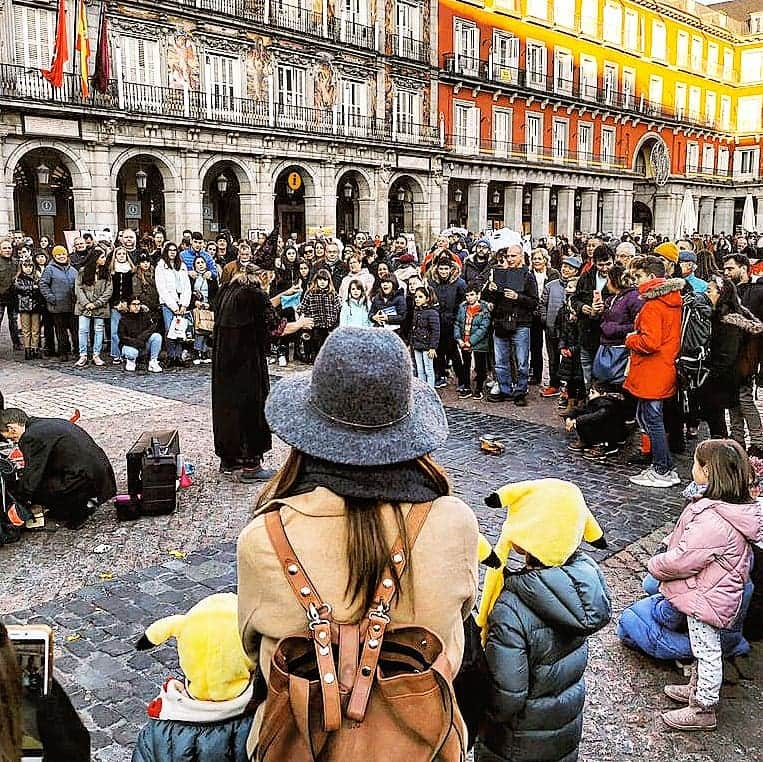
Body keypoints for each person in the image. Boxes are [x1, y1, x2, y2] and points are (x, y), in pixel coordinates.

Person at [237, 327, 478, 757]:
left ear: (308, 434)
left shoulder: (263, 538)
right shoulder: (454, 523)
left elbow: (253, 653)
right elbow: (461, 624)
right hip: (423, 743)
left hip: (299, 744)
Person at [475, 479, 611, 762]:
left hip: (515, 743)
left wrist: (479, 714)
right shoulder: (580, 588)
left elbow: (506, 696)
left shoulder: (511, 609)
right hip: (561, 732)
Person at [649, 439, 762, 731]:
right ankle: (696, 688)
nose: (692, 468)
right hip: (711, 592)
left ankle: (703, 708)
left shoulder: (714, 518)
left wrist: (656, 564)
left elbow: (685, 559)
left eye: (696, 464)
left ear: (709, 471)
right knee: (703, 647)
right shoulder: (727, 510)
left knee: (706, 650)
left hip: (707, 597)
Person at [212, 263, 312, 480]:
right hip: (247, 364)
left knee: (227, 409)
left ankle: (229, 460)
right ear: (263, 276)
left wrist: (284, 295)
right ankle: (251, 466)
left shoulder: (228, 290)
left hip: (224, 364)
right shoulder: (255, 295)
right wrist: (301, 323)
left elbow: (260, 309)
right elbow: (276, 328)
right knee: (251, 408)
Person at [0, 407, 116, 529]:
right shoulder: (43, 424)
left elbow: (32, 475)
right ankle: (77, 504)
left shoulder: (29, 437)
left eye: (10, 437)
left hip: (84, 480)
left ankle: (78, 508)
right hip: (100, 474)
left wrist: (19, 501)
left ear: (11, 428)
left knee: (36, 490)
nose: (12, 441)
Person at [626, 256, 683, 488]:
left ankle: (662, 468)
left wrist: (631, 339)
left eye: (638, 276)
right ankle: (663, 466)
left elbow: (650, 342)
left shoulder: (653, 305)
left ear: (651, 277)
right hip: (663, 368)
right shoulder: (671, 300)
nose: (636, 281)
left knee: (652, 419)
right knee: (650, 417)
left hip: (652, 370)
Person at [697, 276, 763, 438]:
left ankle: (756, 443)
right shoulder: (725, 314)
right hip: (733, 372)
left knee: (740, 407)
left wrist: (710, 371)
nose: (707, 294)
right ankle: (739, 441)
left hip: (733, 373)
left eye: (709, 291)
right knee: (735, 411)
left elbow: (727, 353)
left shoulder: (727, 319)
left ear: (722, 293)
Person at [484, 243, 538, 407]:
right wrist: (490, 290)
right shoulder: (500, 274)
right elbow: (489, 299)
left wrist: (518, 297)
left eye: (513, 256)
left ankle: (520, 391)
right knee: (500, 361)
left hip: (520, 323)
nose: (510, 259)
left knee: (522, 362)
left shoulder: (528, 276)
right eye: (508, 256)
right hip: (501, 322)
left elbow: (534, 302)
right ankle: (505, 390)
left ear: (521, 256)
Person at [723, 253, 763, 457]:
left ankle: (758, 440)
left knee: (744, 397)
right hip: (729, 354)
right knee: (732, 398)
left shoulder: (758, 292)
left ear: (744, 268)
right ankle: (736, 437)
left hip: (747, 355)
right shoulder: (730, 291)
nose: (726, 272)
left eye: (730, 268)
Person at [572, 245, 614, 390]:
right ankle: (588, 398)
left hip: (605, 336)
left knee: (602, 372)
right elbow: (575, 298)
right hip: (586, 332)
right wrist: (582, 307)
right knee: (586, 370)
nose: (604, 268)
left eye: (608, 264)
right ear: (594, 263)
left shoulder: (618, 278)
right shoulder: (586, 276)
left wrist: (604, 309)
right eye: (600, 265)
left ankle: (599, 402)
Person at [540, 255, 582, 397]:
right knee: (552, 359)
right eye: (564, 266)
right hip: (551, 327)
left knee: (569, 359)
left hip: (569, 331)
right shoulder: (551, 286)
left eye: (570, 268)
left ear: (576, 271)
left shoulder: (578, 286)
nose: (566, 270)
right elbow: (542, 305)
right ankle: (554, 384)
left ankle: (568, 387)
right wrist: (545, 320)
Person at [427, 257, 467, 390]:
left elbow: (462, 303)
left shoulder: (459, 283)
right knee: (437, 350)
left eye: (446, 268)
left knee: (453, 352)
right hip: (436, 321)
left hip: (452, 322)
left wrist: (458, 321)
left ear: (451, 269)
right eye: (441, 268)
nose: (443, 271)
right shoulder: (432, 283)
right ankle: (440, 375)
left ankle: (462, 379)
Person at [74, 247, 113, 368]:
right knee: (83, 330)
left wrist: (96, 303)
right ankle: (83, 354)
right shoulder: (83, 271)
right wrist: (86, 303)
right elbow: (78, 288)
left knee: (99, 330)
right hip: (84, 306)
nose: (104, 259)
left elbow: (109, 290)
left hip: (99, 307)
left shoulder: (106, 272)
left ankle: (96, 354)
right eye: (102, 257)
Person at [155, 241, 191, 368]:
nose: (172, 252)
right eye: (170, 250)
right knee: (170, 330)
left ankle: (178, 355)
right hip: (168, 303)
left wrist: (184, 304)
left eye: (174, 250)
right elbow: (162, 288)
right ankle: (171, 356)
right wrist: (174, 307)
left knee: (180, 330)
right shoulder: (161, 267)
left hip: (181, 302)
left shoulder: (182, 266)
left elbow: (187, 286)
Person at [39, 245, 78, 362]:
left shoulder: (73, 270)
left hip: (72, 306)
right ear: (54, 256)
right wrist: (51, 298)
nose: (61, 257)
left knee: (75, 331)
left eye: (63, 254)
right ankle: (63, 352)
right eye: (58, 255)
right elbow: (43, 284)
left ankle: (76, 351)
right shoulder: (49, 269)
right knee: (61, 332)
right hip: (57, 306)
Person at [453, 282, 491, 400]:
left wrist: (471, 341)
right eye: (467, 295)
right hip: (464, 340)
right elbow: (457, 324)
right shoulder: (462, 307)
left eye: (472, 295)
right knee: (466, 364)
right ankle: (467, 386)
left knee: (480, 366)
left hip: (478, 343)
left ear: (478, 295)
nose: (469, 297)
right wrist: (458, 338)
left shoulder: (484, 309)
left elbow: (483, 328)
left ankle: (479, 388)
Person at [529, 248, 560, 385]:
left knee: (552, 347)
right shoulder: (529, 274)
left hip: (549, 313)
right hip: (533, 313)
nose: (537, 261)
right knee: (535, 346)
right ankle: (536, 374)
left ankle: (555, 377)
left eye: (539, 258)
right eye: (534, 259)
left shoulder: (553, 273)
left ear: (545, 260)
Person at [299, 268, 341, 360]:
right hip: (315, 326)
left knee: (327, 346)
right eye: (320, 279)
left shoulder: (333, 294)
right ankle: (311, 356)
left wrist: (335, 322)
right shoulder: (310, 293)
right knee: (315, 345)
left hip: (329, 326)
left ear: (329, 281)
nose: (322, 282)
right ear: (316, 280)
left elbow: (339, 308)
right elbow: (302, 308)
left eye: (325, 280)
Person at [118, 297, 163, 373]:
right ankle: (130, 361)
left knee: (157, 337)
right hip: (130, 345)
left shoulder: (145, 316)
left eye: (138, 304)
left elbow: (152, 328)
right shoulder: (124, 319)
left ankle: (153, 361)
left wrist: (142, 337)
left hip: (143, 343)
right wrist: (135, 342)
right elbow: (122, 337)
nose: (136, 307)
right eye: (134, 304)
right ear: (129, 306)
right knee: (133, 353)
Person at [189, 254, 219, 364]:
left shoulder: (211, 278)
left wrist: (210, 305)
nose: (200, 265)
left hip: (208, 305)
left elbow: (216, 294)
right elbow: (187, 292)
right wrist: (194, 302)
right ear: (194, 266)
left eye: (202, 262)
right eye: (198, 263)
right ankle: (197, 351)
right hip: (196, 306)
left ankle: (204, 350)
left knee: (207, 327)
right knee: (198, 328)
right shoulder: (191, 278)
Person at [108, 246, 135, 364]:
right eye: (119, 254)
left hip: (127, 304)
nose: (121, 256)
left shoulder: (130, 270)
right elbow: (110, 289)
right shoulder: (112, 271)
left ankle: (126, 353)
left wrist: (127, 303)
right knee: (114, 331)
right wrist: (115, 303)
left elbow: (132, 289)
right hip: (115, 304)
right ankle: (115, 353)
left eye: (124, 254)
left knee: (126, 331)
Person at [14, 256, 43, 360]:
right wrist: (32, 288)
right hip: (24, 306)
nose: (28, 268)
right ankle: (27, 349)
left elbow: (40, 289)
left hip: (35, 306)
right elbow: (19, 289)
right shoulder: (19, 278)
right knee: (26, 330)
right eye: (25, 266)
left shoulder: (37, 277)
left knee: (36, 329)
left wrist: (33, 289)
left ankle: (35, 348)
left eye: (30, 266)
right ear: (21, 267)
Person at [410, 286, 440, 388]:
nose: (417, 299)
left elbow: (435, 331)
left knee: (428, 369)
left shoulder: (432, 313)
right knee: (420, 369)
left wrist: (432, 347)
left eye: (420, 297)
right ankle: (422, 390)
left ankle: (430, 389)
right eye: (416, 297)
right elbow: (413, 329)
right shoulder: (416, 311)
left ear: (427, 298)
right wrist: (412, 343)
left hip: (427, 346)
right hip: (417, 344)